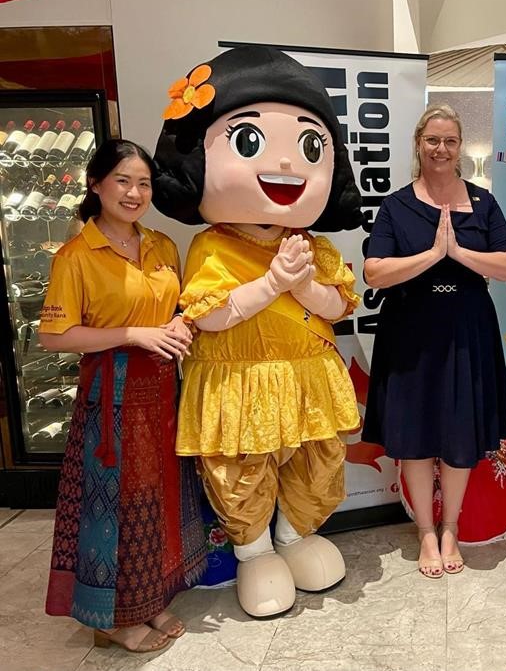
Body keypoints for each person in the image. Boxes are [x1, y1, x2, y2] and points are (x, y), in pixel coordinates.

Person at [152, 46, 363, 617]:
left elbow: (336, 306)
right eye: (249, 142)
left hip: (307, 378)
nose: (289, 166)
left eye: (310, 146)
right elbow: (210, 314)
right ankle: (256, 549)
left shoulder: (314, 245)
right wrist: (272, 283)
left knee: (317, 459)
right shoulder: (212, 245)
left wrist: (299, 285)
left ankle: (295, 536)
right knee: (242, 466)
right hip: (238, 379)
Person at [41, 139, 206, 652]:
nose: (135, 193)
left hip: (161, 386)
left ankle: (148, 601)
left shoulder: (161, 245)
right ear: (96, 185)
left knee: (159, 497)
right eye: (123, 181)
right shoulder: (76, 256)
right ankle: (109, 617)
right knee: (115, 505)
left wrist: (179, 326)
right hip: (112, 392)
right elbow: (54, 336)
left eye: (144, 183)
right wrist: (134, 334)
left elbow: (175, 307)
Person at [363, 105, 506, 579]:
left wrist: (459, 252)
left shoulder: (482, 202)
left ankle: (450, 528)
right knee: (415, 437)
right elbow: (374, 272)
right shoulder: (396, 205)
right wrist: (432, 255)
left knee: (459, 432)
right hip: (410, 328)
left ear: (459, 149)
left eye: (450, 141)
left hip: (467, 327)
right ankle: (426, 533)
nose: (442, 149)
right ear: (418, 143)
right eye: (433, 140)